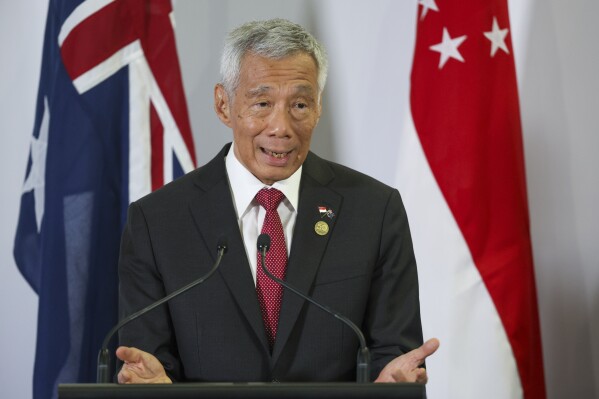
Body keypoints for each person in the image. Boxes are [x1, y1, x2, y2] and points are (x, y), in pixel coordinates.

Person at [116, 18, 439, 384]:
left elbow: (393, 355)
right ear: (224, 105)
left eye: (300, 104)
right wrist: (152, 389)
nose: (281, 127)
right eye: (263, 103)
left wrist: (389, 387)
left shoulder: (374, 211)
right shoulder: (158, 221)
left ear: (318, 108)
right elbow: (149, 363)